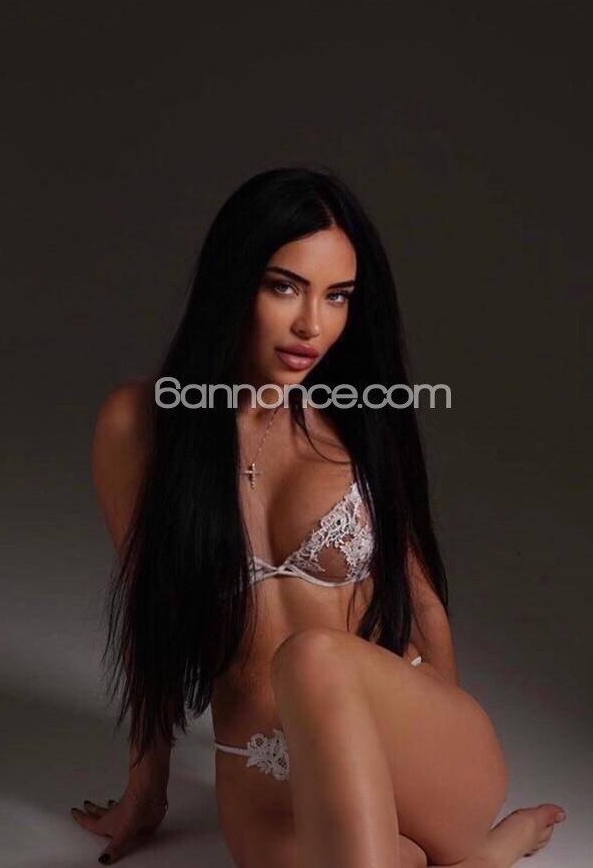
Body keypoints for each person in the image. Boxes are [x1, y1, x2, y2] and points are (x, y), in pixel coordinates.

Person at [71, 166, 566, 866]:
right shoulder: (140, 427)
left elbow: (421, 599)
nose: (313, 325)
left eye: (338, 297)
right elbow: (147, 614)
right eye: (285, 287)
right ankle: (481, 860)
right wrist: (145, 794)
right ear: (232, 282)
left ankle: (460, 843)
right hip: (263, 767)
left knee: (308, 657)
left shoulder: (359, 420)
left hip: (407, 744)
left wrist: (440, 754)